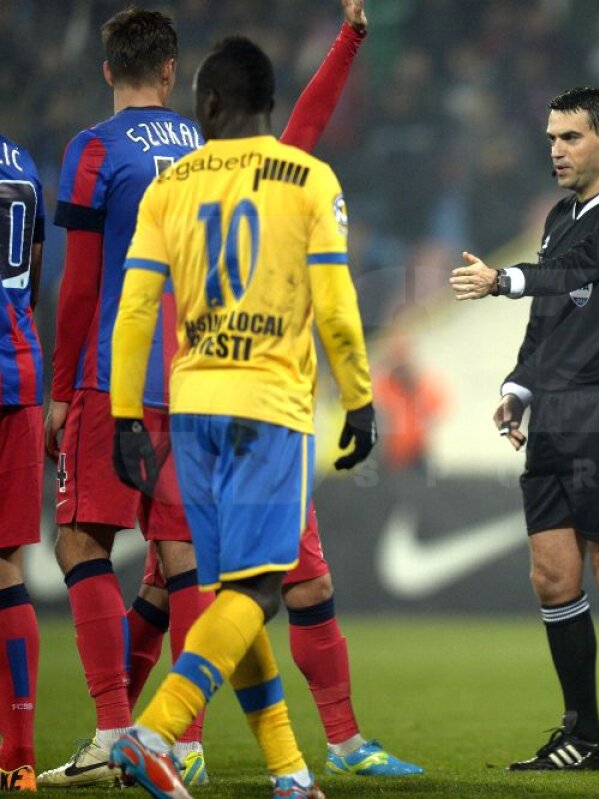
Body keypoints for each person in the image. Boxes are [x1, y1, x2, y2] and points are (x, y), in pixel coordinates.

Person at [116, 1, 423, 780]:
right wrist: (360, 396)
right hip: (269, 409)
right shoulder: (304, 179)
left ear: (208, 104)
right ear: (268, 107)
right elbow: (337, 305)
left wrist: (123, 413)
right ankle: (155, 730)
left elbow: (135, 310)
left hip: (188, 412)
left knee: (238, 593)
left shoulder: (172, 185)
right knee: (258, 590)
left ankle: (292, 771)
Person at [450, 86, 599, 772]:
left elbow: (577, 274)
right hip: (555, 413)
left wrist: (505, 278)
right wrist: (519, 386)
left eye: (569, 137)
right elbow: (551, 317)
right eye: (550, 138)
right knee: (551, 574)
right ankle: (578, 728)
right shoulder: (558, 215)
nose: (555, 150)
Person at [41, 9, 207, 787]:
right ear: (171, 71)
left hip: (117, 375)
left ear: (108, 70)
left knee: (80, 542)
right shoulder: (207, 150)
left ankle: (114, 731)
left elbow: (78, 287)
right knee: (181, 555)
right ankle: (187, 740)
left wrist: (61, 389)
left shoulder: (94, 149)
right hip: (198, 375)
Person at [0, 132, 45, 792]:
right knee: (6, 567)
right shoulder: (22, 162)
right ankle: (20, 758)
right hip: (19, 367)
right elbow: (35, 275)